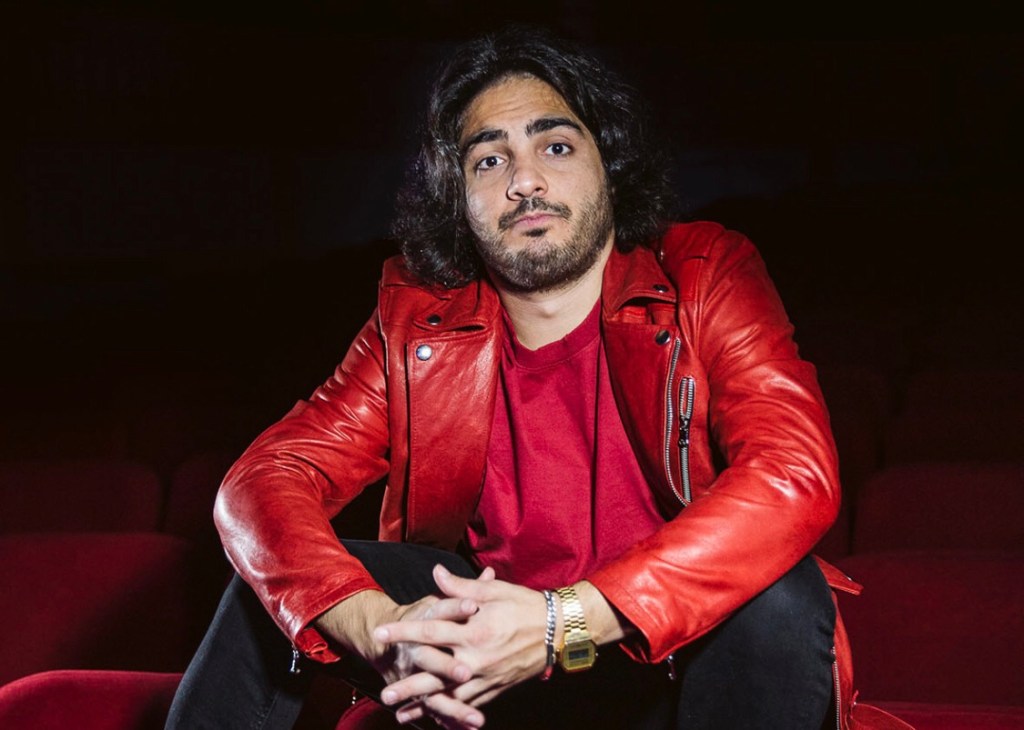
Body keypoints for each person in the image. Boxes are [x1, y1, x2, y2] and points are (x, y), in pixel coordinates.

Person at [166, 25, 859, 730]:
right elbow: (262, 482)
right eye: (490, 160)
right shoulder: (419, 324)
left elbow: (792, 471)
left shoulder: (704, 273)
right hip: (487, 676)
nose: (525, 181)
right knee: (283, 581)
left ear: (608, 164)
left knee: (780, 593)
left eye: (555, 147)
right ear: (459, 200)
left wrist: (562, 621)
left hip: (666, 660)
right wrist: (377, 629)